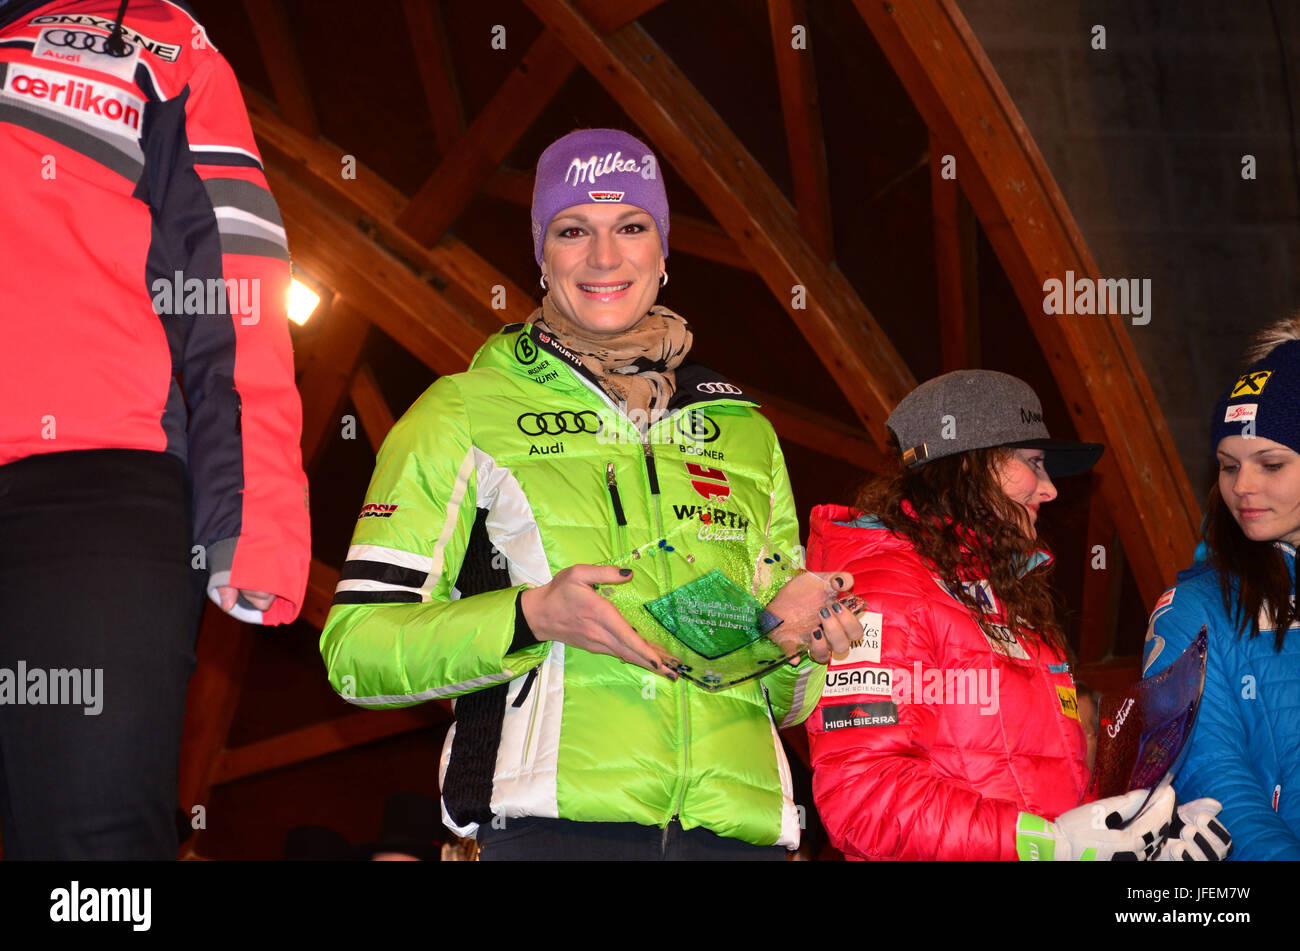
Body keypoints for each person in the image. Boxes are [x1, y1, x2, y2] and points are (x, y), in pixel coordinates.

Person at [319, 128, 859, 860]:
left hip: (741, 835)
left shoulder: (743, 433)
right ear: (542, 254)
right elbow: (357, 652)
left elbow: (785, 702)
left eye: (631, 227)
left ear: (663, 253)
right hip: (551, 832)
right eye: (574, 230)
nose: (605, 258)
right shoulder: (462, 410)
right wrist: (529, 615)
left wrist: (800, 645)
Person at [0, 0, 310, 858]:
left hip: (93, 486)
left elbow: (234, 272)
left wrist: (257, 516)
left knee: (91, 858)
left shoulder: (162, 42)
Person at [805, 369, 1224, 861]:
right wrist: (1050, 845)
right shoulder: (882, 588)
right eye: (1034, 463)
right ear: (967, 466)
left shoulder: (1006, 602)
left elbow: (1046, 790)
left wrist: (1134, 840)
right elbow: (864, 798)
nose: (1050, 490)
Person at [1143, 315, 1300, 860]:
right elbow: (1213, 779)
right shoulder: (1195, 609)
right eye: (1228, 466)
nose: (1242, 487)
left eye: (1271, 463)